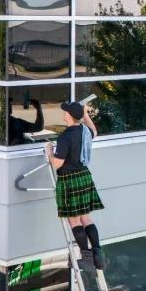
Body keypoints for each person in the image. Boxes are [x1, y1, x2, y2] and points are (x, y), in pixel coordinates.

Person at [45, 101, 105, 271]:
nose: (63, 113)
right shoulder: (85, 132)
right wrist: (86, 114)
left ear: (69, 116)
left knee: (74, 220)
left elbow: (57, 163)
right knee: (86, 218)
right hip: (84, 177)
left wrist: (49, 152)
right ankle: (98, 256)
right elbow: (94, 130)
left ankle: (86, 258)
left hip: (69, 180)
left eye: (65, 112)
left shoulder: (65, 137)